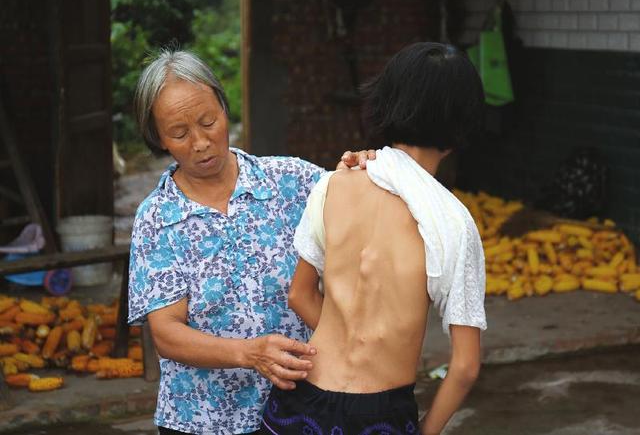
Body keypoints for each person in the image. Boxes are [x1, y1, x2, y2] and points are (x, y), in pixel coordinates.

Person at [127, 49, 374, 435]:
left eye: (208, 122)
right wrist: (249, 353)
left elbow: (361, 199)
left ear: (225, 110)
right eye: (179, 133)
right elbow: (167, 333)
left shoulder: (290, 181)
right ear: (158, 138)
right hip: (201, 420)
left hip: (302, 406)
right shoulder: (157, 218)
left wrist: (364, 167)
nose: (200, 142)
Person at [260, 42, 487, 435]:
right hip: (378, 415)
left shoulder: (334, 185)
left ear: (387, 105)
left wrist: (346, 338)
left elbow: (300, 294)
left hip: (299, 401)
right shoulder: (451, 222)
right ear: (462, 125)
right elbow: (465, 367)